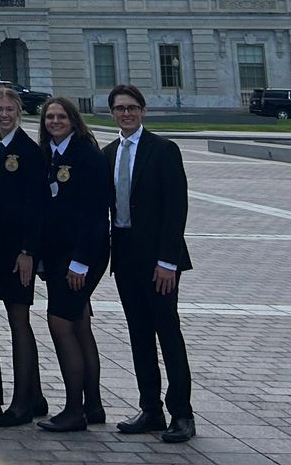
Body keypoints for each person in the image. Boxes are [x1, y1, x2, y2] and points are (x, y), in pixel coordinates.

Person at [103, 84, 196, 443]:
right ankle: (150, 409)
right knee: (139, 336)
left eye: (131, 108)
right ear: (112, 113)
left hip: (159, 259)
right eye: (119, 109)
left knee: (168, 335)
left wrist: (167, 261)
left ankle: (182, 414)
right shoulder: (109, 153)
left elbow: (177, 208)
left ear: (142, 111)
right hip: (125, 257)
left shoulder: (163, 150)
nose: (125, 114)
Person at [35, 97, 109, 434]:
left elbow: (95, 215)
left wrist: (80, 262)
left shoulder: (86, 155)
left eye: (61, 116)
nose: (54, 121)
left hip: (80, 255)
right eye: (49, 116)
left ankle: (73, 410)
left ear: (73, 119)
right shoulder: (51, 152)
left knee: (60, 324)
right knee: (79, 324)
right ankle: (92, 405)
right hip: (59, 254)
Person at [0, 86, 47, 427]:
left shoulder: (28, 150)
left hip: (17, 252)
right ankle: (35, 396)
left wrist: (28, 251)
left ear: (19, 111)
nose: (4, 114)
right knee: (12, 320)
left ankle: (21, 402)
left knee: (19, 322)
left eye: (9, 109)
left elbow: (36, 206)